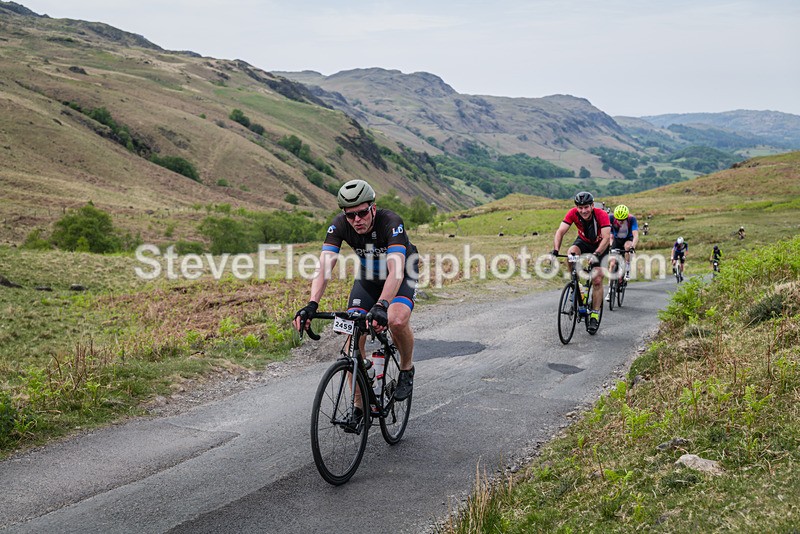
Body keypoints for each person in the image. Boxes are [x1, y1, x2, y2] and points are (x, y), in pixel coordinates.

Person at [293, 179, 419, 425]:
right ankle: (360, 405)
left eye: (362, 212)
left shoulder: (391, 222)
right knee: (352, 333)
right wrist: (311, 305)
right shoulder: (339, 225)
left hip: (402, 272)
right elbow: (324, 267)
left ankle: (406, 368)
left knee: (396, 319)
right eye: (350, 215)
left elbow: (396, 271)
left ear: (373, 207)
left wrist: (382, 305)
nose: (357, 220)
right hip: (368, 277)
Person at [552, 191, 611, 334]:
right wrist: (555, 250)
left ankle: (594, 315)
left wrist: (596, 254)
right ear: (576, 207)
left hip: (600, 246)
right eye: (580, 207)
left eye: (586, 207)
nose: (583, 210)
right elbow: (560, 232)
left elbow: (606, 238)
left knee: (597, 280)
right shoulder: (573, 213)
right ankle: (576, 283)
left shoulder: (601, 215)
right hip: (583, 242)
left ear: (592, 206)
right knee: (570, 254)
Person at [607, 204, 639, 284]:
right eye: (618, 219)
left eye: (623, 220)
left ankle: (627, 267)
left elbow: (635, 235)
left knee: (627, 246)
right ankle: (610, 289)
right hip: (616, 239)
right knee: (612, 264)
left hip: (628, 239)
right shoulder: (610, 218)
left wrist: (633, 247)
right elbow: (609, 235)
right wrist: (610, 246)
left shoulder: (632, 219)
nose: (620, 221)